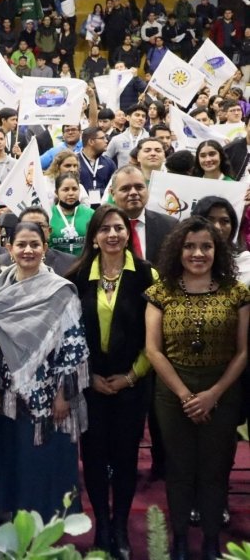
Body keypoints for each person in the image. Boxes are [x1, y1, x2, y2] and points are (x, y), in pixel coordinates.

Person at [145, 217, 250, 560]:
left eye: (206, 246)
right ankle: (177, 541)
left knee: (215, 468)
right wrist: (185, 395)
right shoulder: (161, 291)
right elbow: (153, 350)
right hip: (173, 392)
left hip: (222, 391)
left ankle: (209, 542)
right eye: (190, 246)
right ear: (179, 250)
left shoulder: (237, 292)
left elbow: (244, 351)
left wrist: (214, 393)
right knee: (179, 468)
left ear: (217, 250)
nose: (198, 253)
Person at [0, 222, 90, 520]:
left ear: (45, 248)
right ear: (9, 247)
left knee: (43, 461)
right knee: (12, 459)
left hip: (49, 393)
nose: (28, 250)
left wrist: (63, 394)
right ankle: (13, 522)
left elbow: (73, 344)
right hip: (8, 392)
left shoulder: (60, 291)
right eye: (21, 244)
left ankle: (47, 525)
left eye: (34, 244)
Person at [67, 206, 156, 557]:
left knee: (124, 457)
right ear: (94, 236)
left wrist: (132, 376)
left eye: (119, 228)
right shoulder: (75, 276)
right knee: (92, 456)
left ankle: (120, 526)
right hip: (90, 386)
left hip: (132, 384)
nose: (113, 235)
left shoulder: (148, 275)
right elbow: (68, 334)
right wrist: (87, 376)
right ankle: (101, 525)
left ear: (128, 232)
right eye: (105, 229)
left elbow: (156, 336)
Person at [110, 166, 177, 264]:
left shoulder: (169, 225)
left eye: (139, 187)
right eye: (125, 189)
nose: (133, 192)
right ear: (112, 193)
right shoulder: (102, 228)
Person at [50, 173, 95, 256]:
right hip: (56, 267)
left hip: (84, 266)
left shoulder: (91, 214)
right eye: (66, 189)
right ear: (56, 192)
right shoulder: (48, 215)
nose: (71, 193)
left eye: (74, 189)